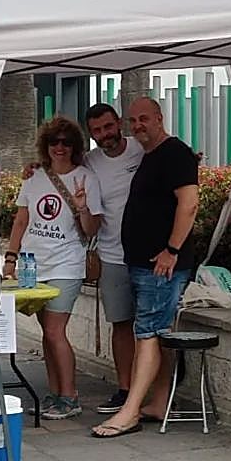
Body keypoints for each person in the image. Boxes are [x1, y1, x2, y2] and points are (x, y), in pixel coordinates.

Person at [92, 97, 198, 439]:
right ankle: (159, 401)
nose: (138, 125)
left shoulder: (175, 153)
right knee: (155, 333)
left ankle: (130, 412)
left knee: (147, 333)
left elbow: (190, 203)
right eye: (133, 121)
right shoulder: (148, 155)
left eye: (144, 119)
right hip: (139, 263)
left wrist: (171, 250)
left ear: (159, 118)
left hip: (161, 265)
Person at [3, 116, 101, 420]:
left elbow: (92, 227)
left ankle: (70, 396)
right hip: (34, 266)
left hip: (66, 265)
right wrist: (10, 258)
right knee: (48, 332)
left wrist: (81, 205)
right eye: (53, 142)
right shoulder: (34, 177)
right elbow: (21, 220)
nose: (60, 147)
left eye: (66, 142)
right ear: (45, 146)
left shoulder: (86, 178)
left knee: (56, 331)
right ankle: (55, 393)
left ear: (75, 146)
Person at [81, 103, 144, 414]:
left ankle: (154, 389)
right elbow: (59, 170)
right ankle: (125, 388)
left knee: (151, 326)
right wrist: (34, 169)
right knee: (121, 324)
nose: (104, 135)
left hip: (149, 256)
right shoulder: (89, 162)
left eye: (108, 127)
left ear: (119, 123)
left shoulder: (141, 148)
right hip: (112, 255)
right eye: (97, 131)